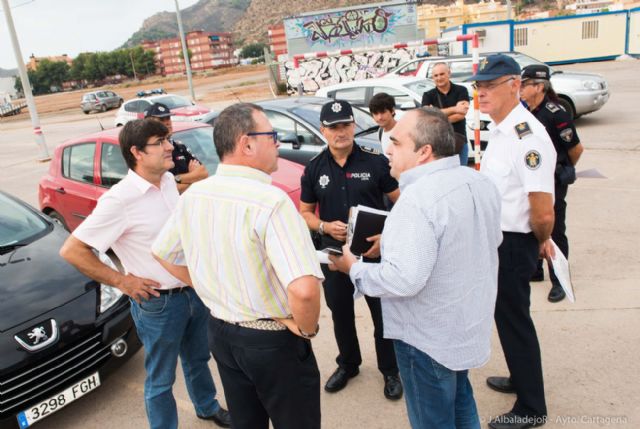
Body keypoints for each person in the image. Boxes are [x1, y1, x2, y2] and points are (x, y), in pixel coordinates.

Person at [151, 103, 324, 429]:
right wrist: (306, 329)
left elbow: (162, 253)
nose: (277, 142)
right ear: (246, 144)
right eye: (271, 135)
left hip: (220, 333)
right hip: (272, 340)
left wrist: (206, 287)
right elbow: (303, 290)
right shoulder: (270, 202)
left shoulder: (195, 195)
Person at [329, 107, 502, 429]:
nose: (387, 148)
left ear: (424, 152)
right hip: (463, 327)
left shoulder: (417, 199)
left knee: (433, 420)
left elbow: (403, 281)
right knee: (462, 404)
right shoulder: (478, 181)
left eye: (395, 142)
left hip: (426, 338)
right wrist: (394, 241)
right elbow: (473, 243)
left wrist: (352, 268)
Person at [59, 119, 230, 429]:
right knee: (161, 378)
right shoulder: (119, 200)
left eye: (168, 139)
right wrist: (122, 281)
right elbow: (72, 249)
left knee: (197, 359)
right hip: (159, 304)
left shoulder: (167, 181)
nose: (170, 147)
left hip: (192, 291)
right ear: (136, 152)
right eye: (160, 142)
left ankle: (206, 406)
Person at [469, 54, 556, 429]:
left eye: (490, 86)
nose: (481, 93)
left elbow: (542, 210)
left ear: (514, 86)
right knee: (506, 319)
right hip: (496, 241)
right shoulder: (501, 130)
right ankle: (520, 378)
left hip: (514, 243)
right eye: (479, 86)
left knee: (516, 321)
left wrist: (543, 241)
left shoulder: (527, 137)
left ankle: (532, 407)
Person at [299, 99, 403, 400]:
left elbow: (403, 203)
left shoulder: (375, 162)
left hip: (373, 253)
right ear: (323, 130)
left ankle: (390, 370)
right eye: (333, 127)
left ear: (353, 126)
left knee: (382, 314)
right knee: (341, 313)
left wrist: (386, 235)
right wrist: (323, 227)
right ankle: (348, 364)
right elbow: (305, 213)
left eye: (345, 124)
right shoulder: (314, 168)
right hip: (334, 255)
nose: (340, 131)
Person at [520, 64, 584, 302]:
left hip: (553, 181)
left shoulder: (555, 113)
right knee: (531, 222)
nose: (521, 88)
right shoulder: (526, 112)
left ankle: (558, 279)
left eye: (525, 84)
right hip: (533, 178)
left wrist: (563, 170)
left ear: (539, 86)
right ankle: (535, 270)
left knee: (555, 230)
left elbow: (576, 148)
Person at [144, 102, 208, 193]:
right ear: (148, 123)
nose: (167, 122)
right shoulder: (149, 151)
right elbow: (165, 189)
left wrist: (177, 179)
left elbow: (204, 172)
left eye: (168, 118)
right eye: (161, 119)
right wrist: (193, 177)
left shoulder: (179, 147)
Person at [421, 62, 471, 165]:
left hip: (459, 142)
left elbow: (461, 114)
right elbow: (427, 116)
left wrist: (436, 117)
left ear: (449, 73)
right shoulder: (428, 95)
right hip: (437, 146)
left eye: (442, 74)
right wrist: (455, 109)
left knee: (460, 177)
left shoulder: (461, 90)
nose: (439, 78)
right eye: (436, 75)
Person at [369, 92, 397, 156]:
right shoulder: (380, 131)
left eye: (383, 112)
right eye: (376, 113)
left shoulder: (404, 130)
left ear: (392, 111)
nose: (379, 117)